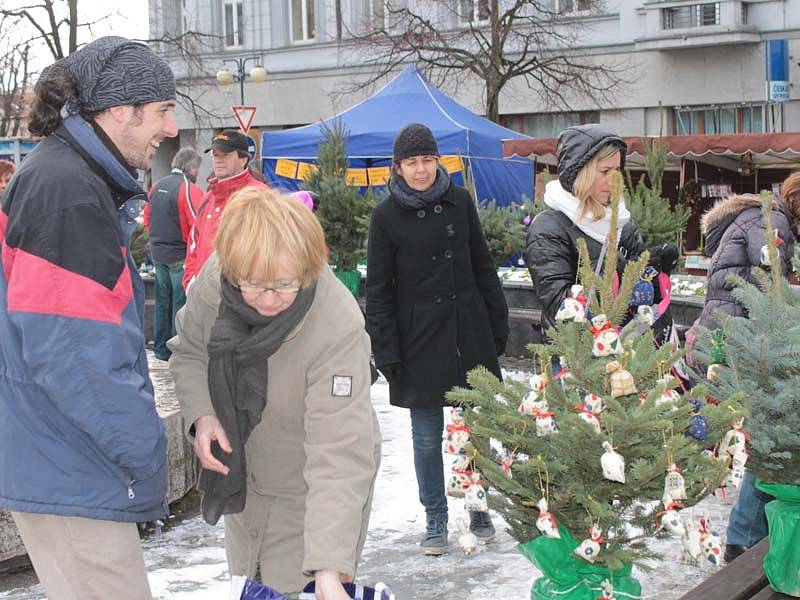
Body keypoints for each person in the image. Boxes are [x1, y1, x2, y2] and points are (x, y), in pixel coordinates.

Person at [0, 36, 175, 600]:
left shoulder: (66, 177)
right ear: (120, 111)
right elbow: (75, 355)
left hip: (61, 453)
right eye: (163, 110)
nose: (169, 129)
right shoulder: (68, 190)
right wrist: (144, 452)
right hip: (72, 458)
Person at [168, 187, 381, 599]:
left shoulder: (336, 323)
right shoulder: (219, 280)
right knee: (249, 583)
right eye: (255, 285)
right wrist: (204, 414)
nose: (269, 299)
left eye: (284, 285)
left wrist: (328, 567)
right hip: (243, 475)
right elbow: (189, 350)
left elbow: (339, 451)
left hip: (312, 486)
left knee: (291, 587)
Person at [366, 123, 509, 556]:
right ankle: (435, 518)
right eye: (412, 162)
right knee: (426, 436)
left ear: (438, 161)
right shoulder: (386, 216)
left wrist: (496, 324)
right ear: (399, 167)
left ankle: (478, 507)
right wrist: (387, 350)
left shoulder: (460, 202)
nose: (422, 169)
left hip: (467, 334)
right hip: (418, 342)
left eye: (428, 159)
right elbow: (378, 292)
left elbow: (483, 266)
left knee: (476, 431)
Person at [686, 172, 800, 564]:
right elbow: (772, 286)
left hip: (734, 342)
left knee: (765, 440)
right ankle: (744, 541)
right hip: (738, 346)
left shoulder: (766, 218)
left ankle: (747, 536)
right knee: (767, 441)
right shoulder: (771, 222)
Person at [524, 125, 649, 334]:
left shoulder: (621, 221)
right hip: (576, 356)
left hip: (628, 347)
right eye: (605, 171)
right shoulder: (549, 228)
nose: (613, 180)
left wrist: (654, 272)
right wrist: (615, 271)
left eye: (617, 170)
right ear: (581, 171)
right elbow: (558, 303)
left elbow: (642, 282)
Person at [182, 128, 267, 290]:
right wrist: (191, 285)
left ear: (243, 160)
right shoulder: (208, 198)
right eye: (215, 155)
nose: (218, 160)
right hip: (205, 297)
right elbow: (193, 244)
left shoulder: (259, 196)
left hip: (242, 298)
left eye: (225, 155)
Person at [143, 147, 204, 360]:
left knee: (162, 302)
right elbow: (198, 224)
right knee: (179, 305)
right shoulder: (189, 189)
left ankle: (160, 349)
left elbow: (147, 219)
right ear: (192, 167)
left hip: (159, 253)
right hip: (180, 255)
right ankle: (177, 352)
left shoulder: (157, 186)